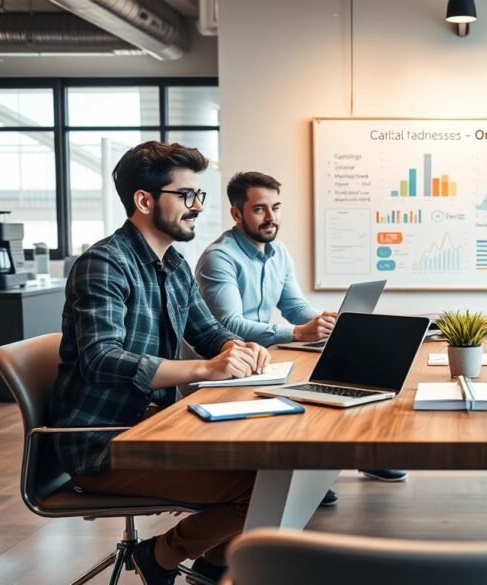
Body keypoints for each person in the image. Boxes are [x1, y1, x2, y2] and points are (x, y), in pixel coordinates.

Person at [50, 141, 270, 585]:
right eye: (185, 196)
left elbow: (208, 332)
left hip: (152, 426)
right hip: (102, 445)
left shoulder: (173, 263)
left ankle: (212, 566)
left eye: (199, 196)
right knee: (259, 488)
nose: (196, 207)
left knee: (271, 466)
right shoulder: (104, 264)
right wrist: (205, 369)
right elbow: (101, 359)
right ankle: (162, 555)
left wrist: (239, 348)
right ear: (145, 200)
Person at [195, 171, 408, 497]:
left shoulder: (278, 252)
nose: (271, 218)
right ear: (236, 213)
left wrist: (325, 322)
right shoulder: (219, 258)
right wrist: (296, 332)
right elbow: (229, 325)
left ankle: (356, 456)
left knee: (341, 374)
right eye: (259, 209)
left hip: (263, 356)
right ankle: (301, 477)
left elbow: (295, 306)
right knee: (314, 386)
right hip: (228, 365)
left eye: (276, 208)